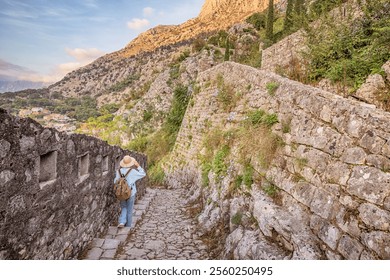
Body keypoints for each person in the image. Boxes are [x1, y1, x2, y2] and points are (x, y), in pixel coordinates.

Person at [114, 155, 146, 228]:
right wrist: (138, 166)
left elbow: (115, 181)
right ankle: (128, 227)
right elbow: (143, 174)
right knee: (129, 210)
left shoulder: (118, 171)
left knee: (124, 207)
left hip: (121, 193)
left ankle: (122, 222)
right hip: (131, 193)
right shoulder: (133, 171)